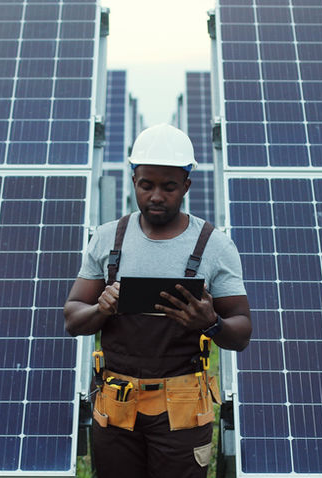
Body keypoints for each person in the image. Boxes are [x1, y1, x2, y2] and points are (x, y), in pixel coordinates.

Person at [64, 123, 251, 478]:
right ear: (134, 180)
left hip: (182, 412)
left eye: (169, 187)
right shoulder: (107, 239)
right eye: (146, 185)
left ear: (186, 186)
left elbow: (241, 333)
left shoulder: (215, 245)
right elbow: (72, 319)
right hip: (116, 407)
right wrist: (101, 309)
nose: (156, 196)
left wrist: (210, 322)